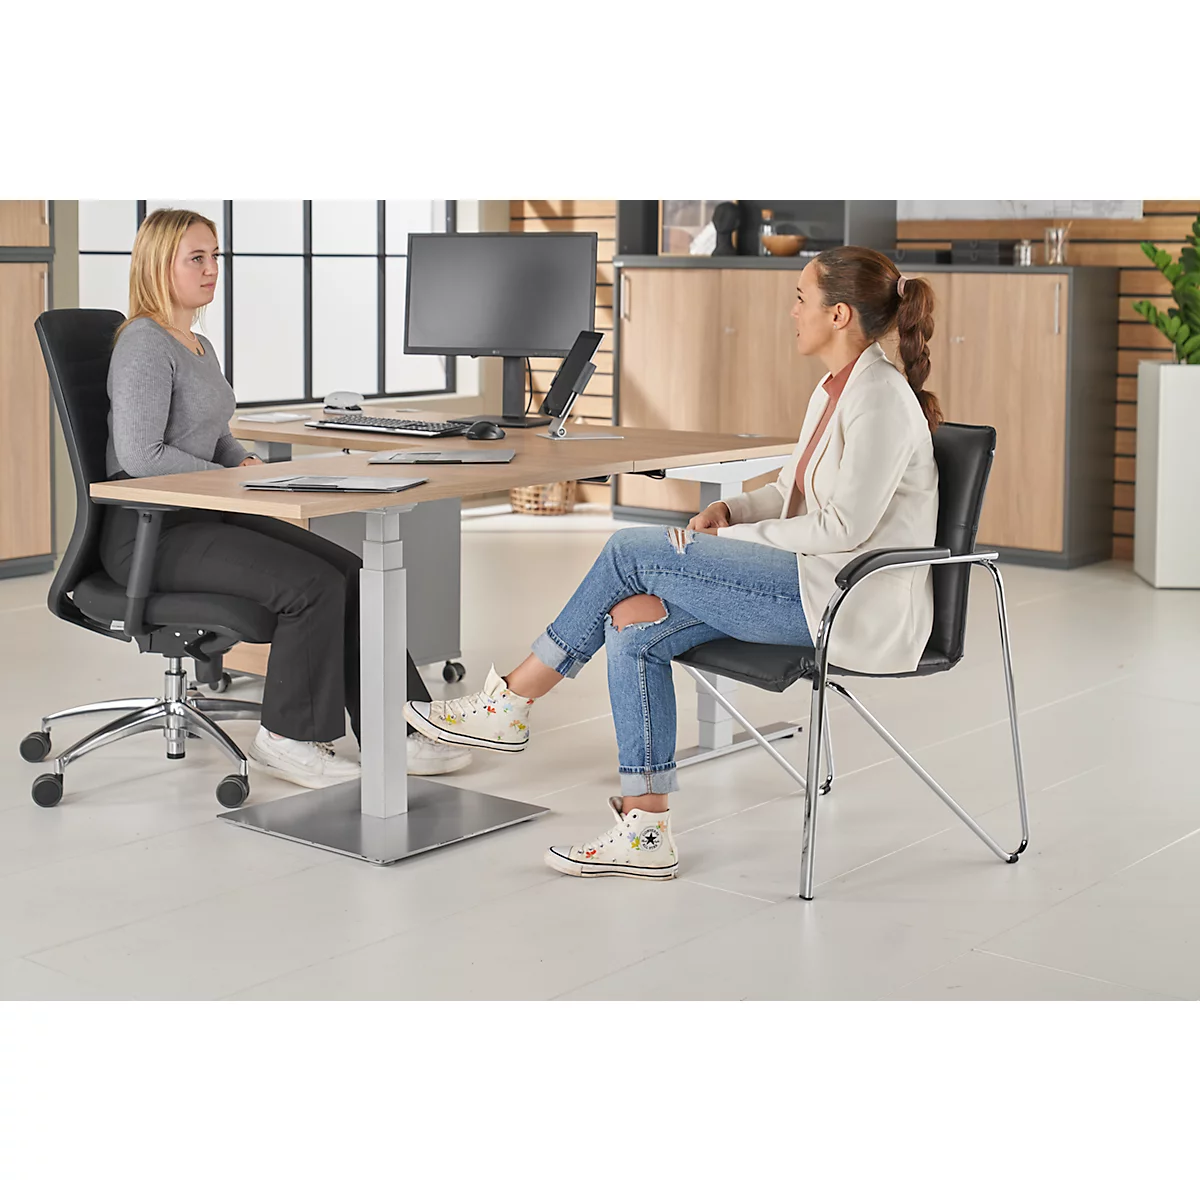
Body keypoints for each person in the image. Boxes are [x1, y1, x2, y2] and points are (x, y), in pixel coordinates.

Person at [406, 246, 943, 878]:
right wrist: (735, 513)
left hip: (842, 599)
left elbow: (843, 526)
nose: (791, 310)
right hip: (806, 580)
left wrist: (736, 546)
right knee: (632, 624)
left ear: (839, 315)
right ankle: (645, 831)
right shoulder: (835, 387)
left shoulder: (879, 395)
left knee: (630, 550)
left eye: (802, 298)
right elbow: (797, 491)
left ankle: (511, 702)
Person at [100, 208, 470, 788]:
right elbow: (142, 455)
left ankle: (397, 727)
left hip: (204, 514)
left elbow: (213, 430)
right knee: (309, 587)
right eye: (196, 258)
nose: (212, 269)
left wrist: (239, 461)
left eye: (215, 256)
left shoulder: (195, 344)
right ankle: (287, 738)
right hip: (151, 532)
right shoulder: (144, 346)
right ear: (157, 265)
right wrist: (231, 482)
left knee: (351, 570)